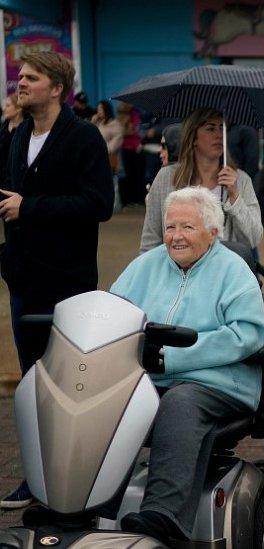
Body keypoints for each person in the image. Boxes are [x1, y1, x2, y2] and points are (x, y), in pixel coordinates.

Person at [113, 187, 264, 544]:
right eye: (170, 227)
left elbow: (249, 333)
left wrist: (174, 357)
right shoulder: (144, 266)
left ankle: (163, 516)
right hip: (150, 377)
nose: (176, 237)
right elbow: (112, 312)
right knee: (101, 403)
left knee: (180, 402)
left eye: (187, 227)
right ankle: (80, 505)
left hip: (220, 382)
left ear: (213, 233)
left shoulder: (233, 271)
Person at [0, 51, 114, 509]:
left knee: (68, 387)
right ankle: (37, 480)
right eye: (21, 76)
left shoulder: (83, 137)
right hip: (23, 281)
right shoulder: (19, 134)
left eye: (31, 77)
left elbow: (99, 204)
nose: (20, 83)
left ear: (56, 88)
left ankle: (76, 479)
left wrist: (31, 206)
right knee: (32, 387)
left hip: (67, 285)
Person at [141, 108, 262, 254]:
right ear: (193, 137)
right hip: (177, 273)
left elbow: (254, 239)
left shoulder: (241, 180)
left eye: (222, 128)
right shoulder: (166, 178)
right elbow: (150, 241)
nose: (219, 135)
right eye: (210, 128)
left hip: (225, 273)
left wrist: (235, 197)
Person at [116, 101, 145, 205]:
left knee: (138, 175)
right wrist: (128, 130)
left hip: (137, 148)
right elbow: (122, 131)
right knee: (128, 175)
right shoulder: (121, 117)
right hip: (125, 148)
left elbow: (137, 131)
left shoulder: (136, 115)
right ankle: (129, 200)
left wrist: (129, 131)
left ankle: (139, 199)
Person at [0, 93, 24, 186]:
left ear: (18, 109)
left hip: (15, 182)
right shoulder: (3, 127)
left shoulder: (25, 130)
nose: (4, 109)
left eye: (8, 106)